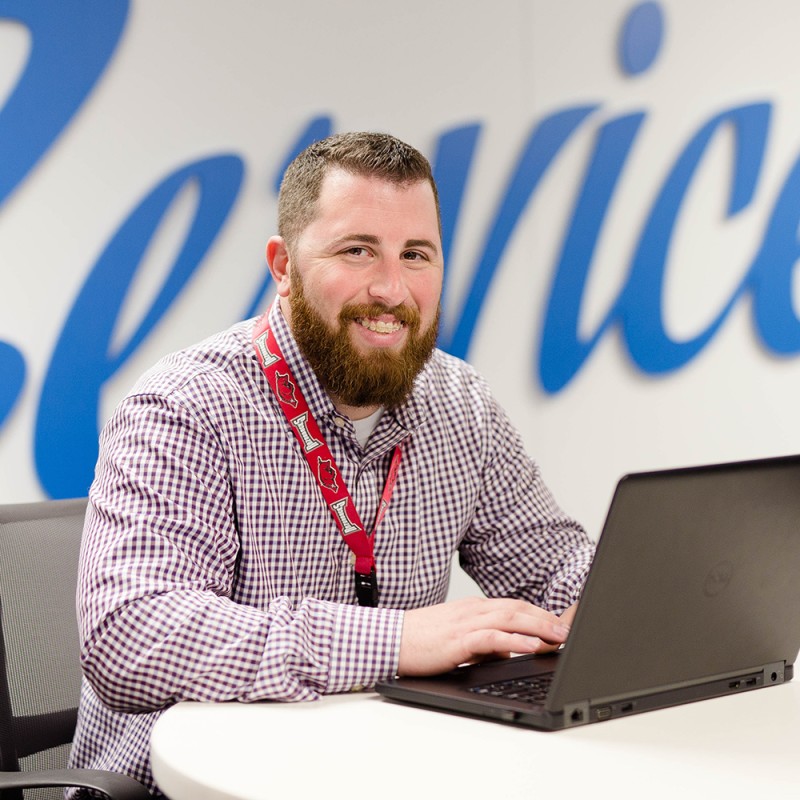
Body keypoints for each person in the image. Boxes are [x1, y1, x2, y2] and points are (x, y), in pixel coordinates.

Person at [68, 132, 595, 796]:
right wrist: (394, 640)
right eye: (357, 251)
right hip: (185, 788)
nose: (391, 288)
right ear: (282, 266)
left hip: (377, 774)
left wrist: (602, 604)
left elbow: (551, 561)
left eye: (416, 255)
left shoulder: (462, 405)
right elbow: (131, 636)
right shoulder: (183, 408)